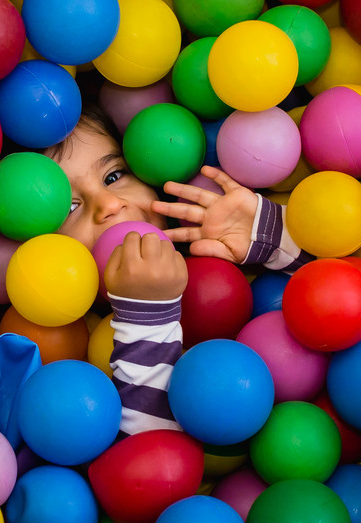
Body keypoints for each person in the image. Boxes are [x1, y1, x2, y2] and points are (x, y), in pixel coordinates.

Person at [45, 103, 310, 435]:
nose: (109, 205)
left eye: (113, 176)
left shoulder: (220, 250)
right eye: (69, 207)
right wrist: (145, 316)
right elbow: (154, 450)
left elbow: (342, 289)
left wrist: (269, 235)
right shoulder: (70, 356)